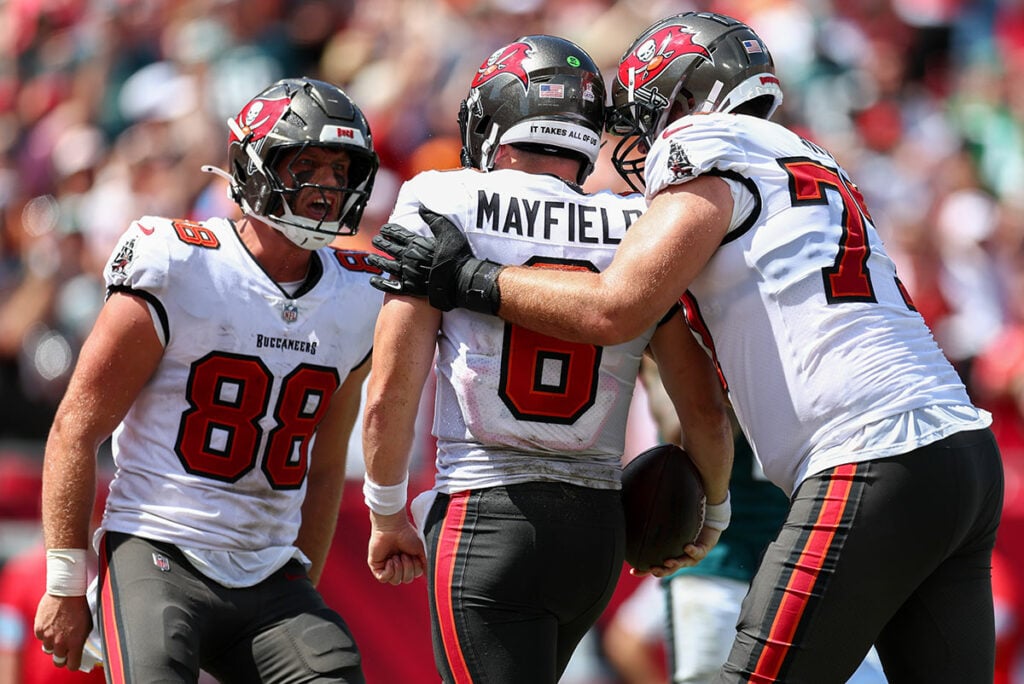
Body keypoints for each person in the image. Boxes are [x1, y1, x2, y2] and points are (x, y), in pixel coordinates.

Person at [368, 12, 1005, 683]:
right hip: (963, 454)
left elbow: (615, 308)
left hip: (870, 454)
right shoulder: (808, 157)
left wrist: (468, 279)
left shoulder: (707, 144)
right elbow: (696, 391)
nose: (645, 138)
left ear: (690, 99)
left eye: (653, 110)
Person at [360, 34, 734, 684]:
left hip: (487, 516)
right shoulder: (634, 223)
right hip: (595, 532)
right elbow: (699, 398)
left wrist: (387, 510)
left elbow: (393, 381)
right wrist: (715, 507)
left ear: (491, 119)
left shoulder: (443, 200)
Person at [33, 77, 382, 683]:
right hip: (157, 548)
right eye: (305, 164)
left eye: (338, 170)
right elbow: (75, 427)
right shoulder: (178, 262)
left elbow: (325, 465)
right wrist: (66, 583)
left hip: (271, 571)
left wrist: (303, 578)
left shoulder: (358, 293)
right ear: (253, 164)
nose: (326, 187)